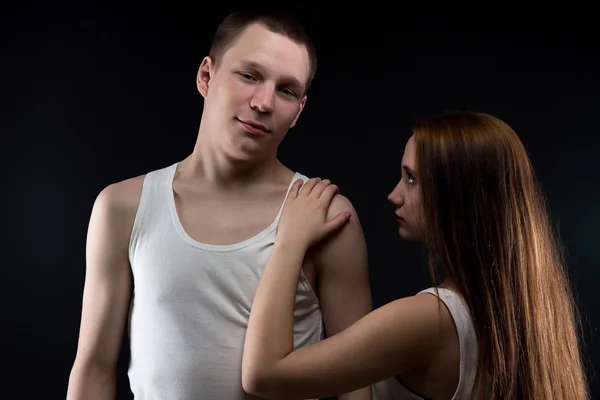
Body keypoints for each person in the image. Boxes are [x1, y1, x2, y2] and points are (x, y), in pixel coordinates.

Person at [66, 11, 374, 400]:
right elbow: (93, 369)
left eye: (286, 91)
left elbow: (358, 382)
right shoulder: (122, 208)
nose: (264, 102)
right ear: (206, 77)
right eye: (249, 76)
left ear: (298, 111)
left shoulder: (326, 215)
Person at [241, 110, 589, 400]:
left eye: (411, 179)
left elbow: (264, 375)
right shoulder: (528, 314)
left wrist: (289, 240)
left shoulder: (429, 320)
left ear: (458, 195)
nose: (394, 194)